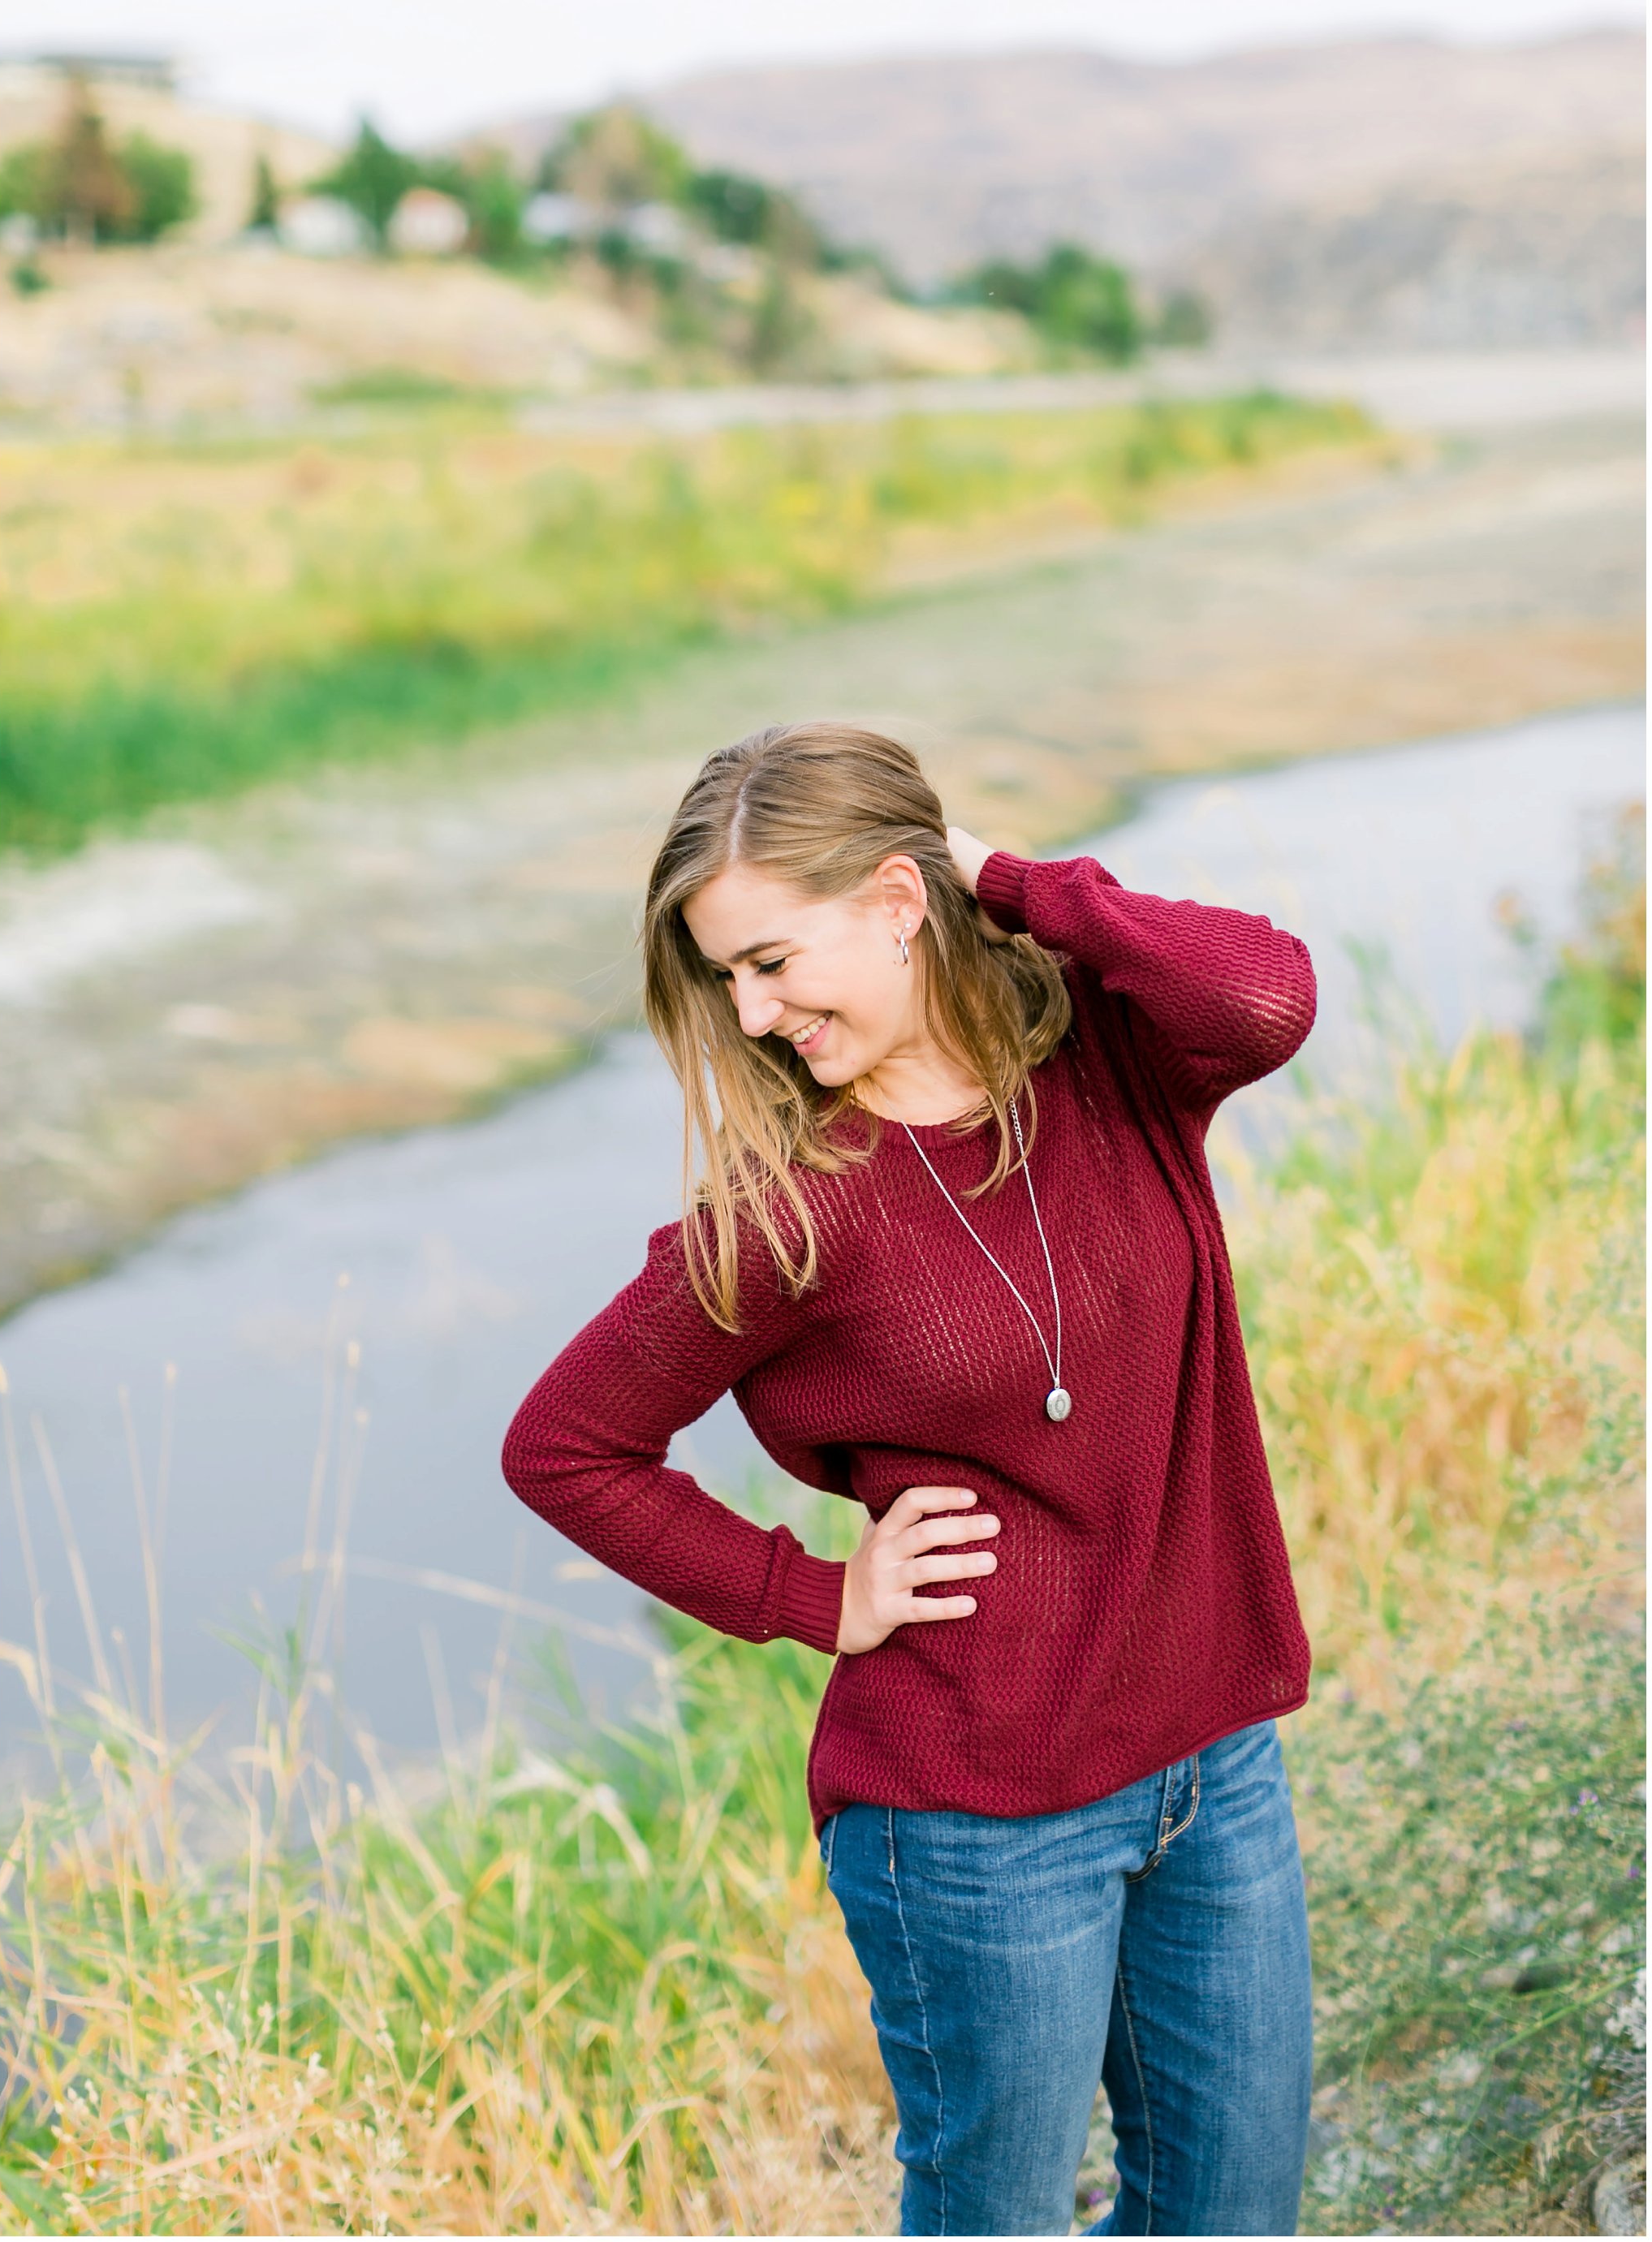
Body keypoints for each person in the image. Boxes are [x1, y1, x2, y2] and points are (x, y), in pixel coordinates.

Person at [502, 719, 1318, 2238]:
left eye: (769, 958)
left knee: (1235, 2209)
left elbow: (1266, 991)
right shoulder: (788, 1209)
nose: (750, 1012)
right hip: (977, 1814)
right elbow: (564, 1445)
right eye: (724, 978)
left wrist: (1007, 877)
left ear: (897, 898)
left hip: (1213, 1757)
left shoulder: (1115, 1055)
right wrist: (812, 1592)